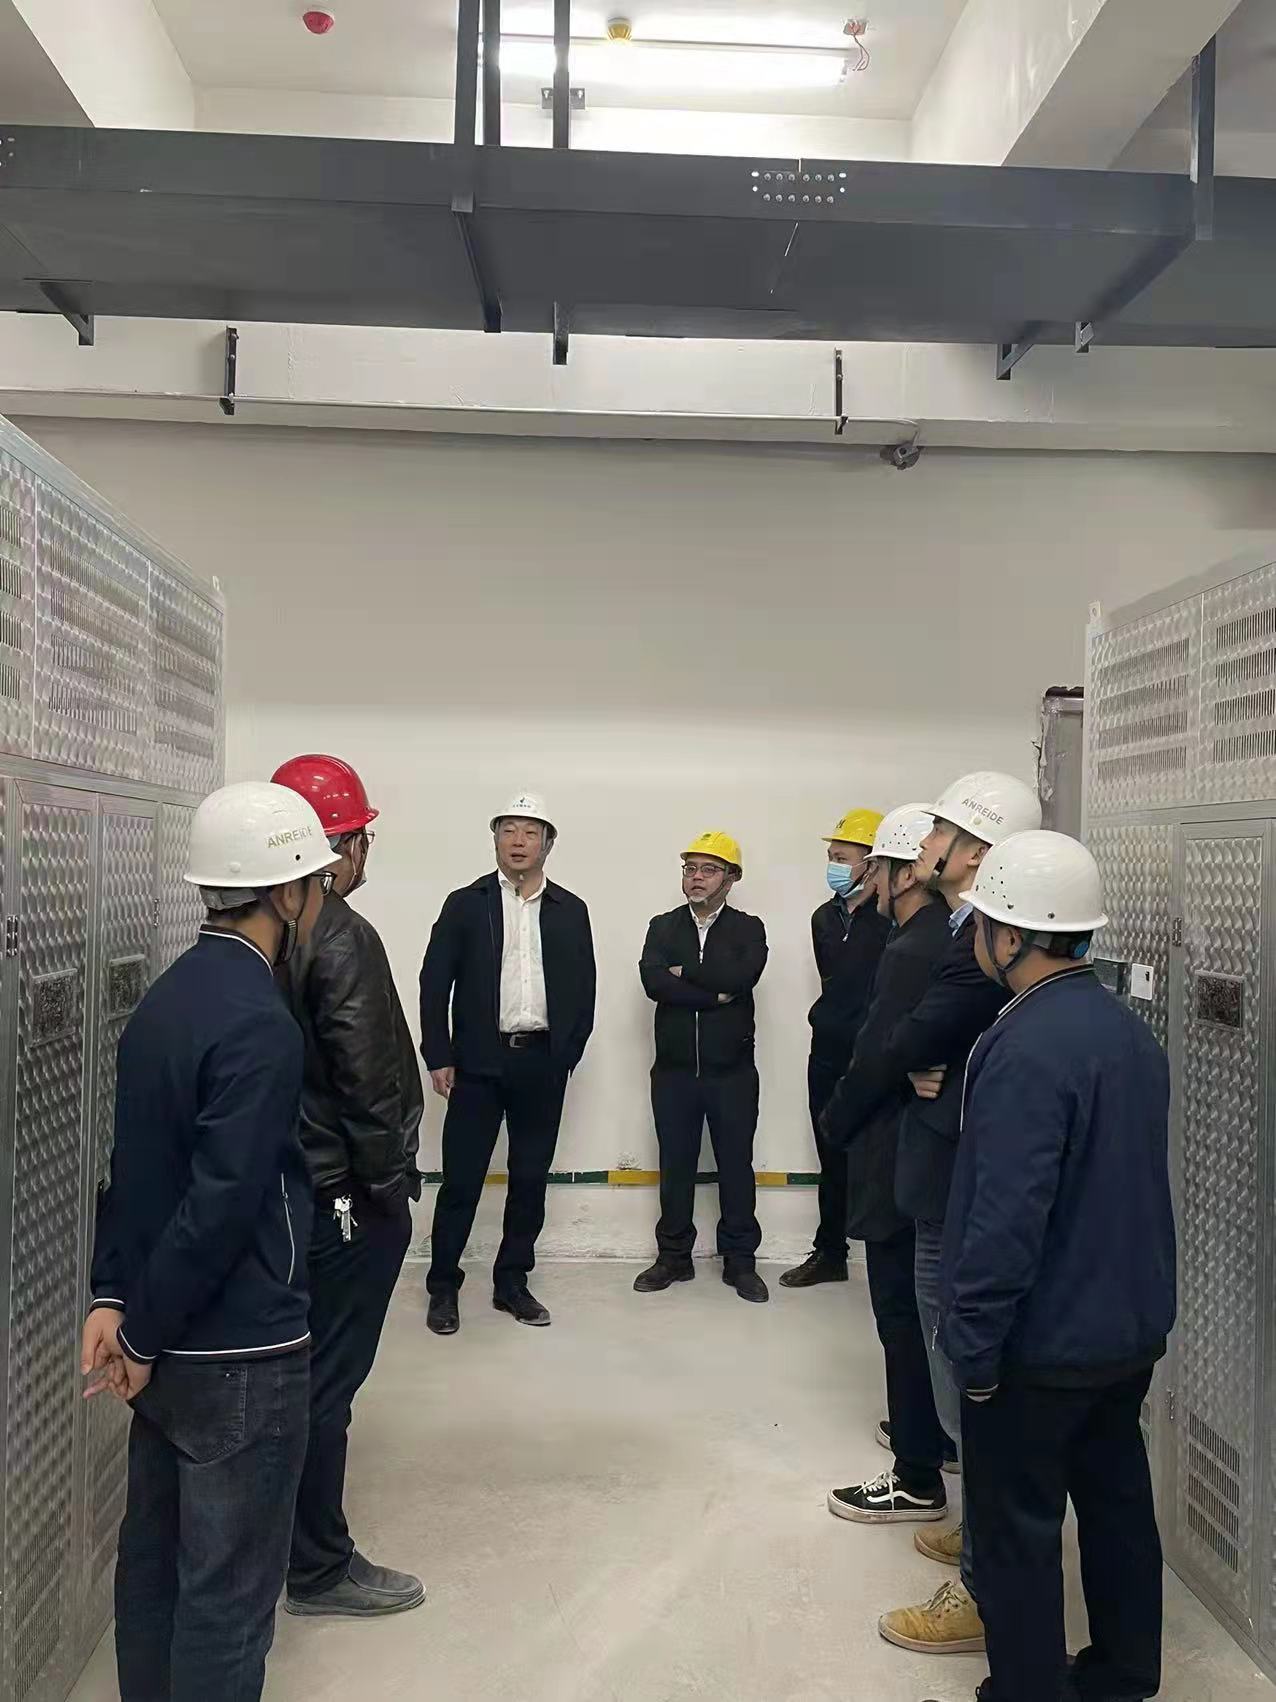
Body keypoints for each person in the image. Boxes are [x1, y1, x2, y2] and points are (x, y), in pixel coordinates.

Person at [81, 781, 340, 1702]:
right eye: (315, 882)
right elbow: (222, 1205)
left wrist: (115, 1298)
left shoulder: (167, 998)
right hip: (240, 1355)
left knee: (153, 1573)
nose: (319, 899)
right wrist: (141, 1332)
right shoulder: (260, 1021)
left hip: (164, 1344)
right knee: (228, 1602)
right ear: (285, 894)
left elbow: (133, 1169)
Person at [941, 831, 1175, 1702]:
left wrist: (974, 1345)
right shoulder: (1125, 1032)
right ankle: (1122, 1675)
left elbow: (1007, 1217)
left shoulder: (1024, 1047)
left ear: (1010, 937)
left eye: (981, 924)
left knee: (1019, 1531)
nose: (975, 937)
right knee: (1117, 1506)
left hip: (1039, 1344)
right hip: (1125, 1330)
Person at [872, 770, 1042, 1659]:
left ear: (973, 851)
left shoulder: (993, 944)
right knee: (956, 1370)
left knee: (974, 1376)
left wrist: (917, 1059)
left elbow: (928, 1032)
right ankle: (977, 1531)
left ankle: (983, 1586)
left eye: (939, 831)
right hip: (942, 1175)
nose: (923, 845)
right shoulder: (967, 931)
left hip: (964, 1186)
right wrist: (916, 1061)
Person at [272, 754, 425, 1620]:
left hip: (301, 1188)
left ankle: (290, 1545)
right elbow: (368, 1083)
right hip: (347, 1198)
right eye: (360, 838)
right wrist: (387, 1190)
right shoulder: (340, 935)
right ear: (341, 847)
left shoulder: (273, 931)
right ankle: (319, 1567)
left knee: (307, 1374)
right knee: (328, 1381)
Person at [820, 805, 954, 1524]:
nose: (864, 878)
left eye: (872, 866)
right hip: (918, 1142)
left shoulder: (909, 950)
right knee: (917, 1308)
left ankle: (916, 1473)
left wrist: (835, 1123)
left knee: (899, 1310)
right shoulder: (940, 934)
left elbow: (876, 1055)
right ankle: (928, 1430)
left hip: (894, 1148)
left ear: (901, 875)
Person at [420, 793, 595, 1334]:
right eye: (508, 830)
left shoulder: (570, 910)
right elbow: (434, 982)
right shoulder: (465, 904)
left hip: (541, 1064)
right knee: (461, 1181)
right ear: (495, 838)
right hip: (477, 1063)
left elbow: (585, 987)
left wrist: (566, 1054)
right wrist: (438, 1053)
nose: (518, 842)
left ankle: (512, 1283)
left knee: (529, 1179)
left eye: (530, 832)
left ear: (548, 843)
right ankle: (443, 1285)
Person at [634, 832, 770, 1304]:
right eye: (690, 868)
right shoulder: (662, 926)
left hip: (732, 1073)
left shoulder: (748, 928)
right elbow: (653, 982)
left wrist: (685, 972)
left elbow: (742, 976)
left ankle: (740, 1262)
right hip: (673, 1073)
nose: (696, 877)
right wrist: (714, 994)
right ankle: (673, 1257)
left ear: (731, 878)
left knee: (736, 1166)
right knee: (675, 1165)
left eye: (708, 869)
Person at [780, 807, 889, 1290]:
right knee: (831, 1153)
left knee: (881, 1159)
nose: (834, 866)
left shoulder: (892, 920)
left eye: (843, 858)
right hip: (827, 1052)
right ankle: (830, 1253)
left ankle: (891, 1260)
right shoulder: (823, 918)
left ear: (872, 862)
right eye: (832, 857)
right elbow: (835, 982)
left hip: (875, 1056)